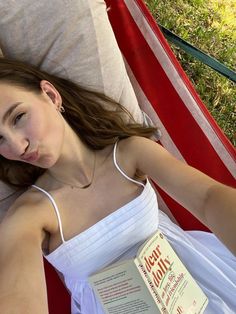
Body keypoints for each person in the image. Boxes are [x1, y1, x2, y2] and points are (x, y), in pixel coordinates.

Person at [0, 58, 235, 314]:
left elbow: (207, 197)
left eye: (19, 117)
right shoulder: (31, 213)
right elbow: (14, 287)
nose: (16, 146)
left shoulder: (129, 154)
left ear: (51, 95)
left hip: (197, 286)